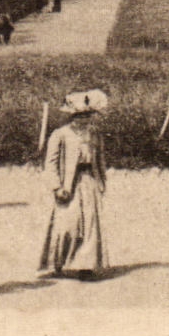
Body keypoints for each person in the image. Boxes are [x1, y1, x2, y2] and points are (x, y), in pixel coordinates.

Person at [39, 89, 110, 280]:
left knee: (89, 224)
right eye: (79, 116)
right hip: (68, 184)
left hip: (89, 181)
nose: (83, 119)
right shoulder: (60, 134)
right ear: (71, 116)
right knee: (67, 224)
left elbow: (100, 158)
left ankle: (85, 267)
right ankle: (57, 263)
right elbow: (50, 163)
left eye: (87, 115)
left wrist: (102, 181)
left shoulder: (95, 133)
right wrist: (56, 186)